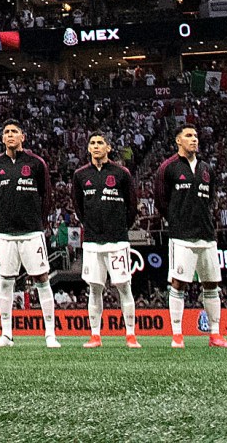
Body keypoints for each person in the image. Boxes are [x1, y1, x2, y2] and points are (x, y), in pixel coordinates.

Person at [152, 127, 227, 348]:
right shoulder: (168, 168)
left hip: (207, 235)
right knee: (178, 284)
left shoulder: (206, 168)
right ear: (178, 140)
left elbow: (211, 198)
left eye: (195, 136)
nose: (193, 139)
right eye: (188, 136)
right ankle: (177, 334)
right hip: (181, 236)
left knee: (212, 283)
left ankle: (215, 334)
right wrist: (177, 219)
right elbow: (161, 199)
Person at [0, 121, 58, 347]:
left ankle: (50, 334)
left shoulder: (36, 163)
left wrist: (39, 221)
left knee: (42, 279)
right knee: (5, 282)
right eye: (6, 132)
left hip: (32, 232)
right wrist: (4, 219)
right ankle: (6, 335)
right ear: (2, 138)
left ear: (22, 137)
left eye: (14, 132)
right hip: (6, 233)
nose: (10, 135)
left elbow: (47, 196)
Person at [72, 133, 140, 349]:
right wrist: (91, 226)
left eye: (100, 143)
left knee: (124, 287)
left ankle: (130, 335)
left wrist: (120, 227)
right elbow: (78, 207)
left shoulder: (122, 173)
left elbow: (132, 206)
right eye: (92, 143)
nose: (96, 146)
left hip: (118, 240)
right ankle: (95, 335)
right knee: (94, 288)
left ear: (108, 148)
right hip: (92, 242)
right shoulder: (80, 175)